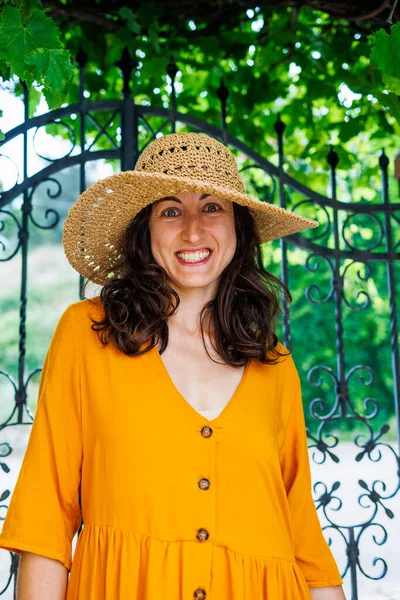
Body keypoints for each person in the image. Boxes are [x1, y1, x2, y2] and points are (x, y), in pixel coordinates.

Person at [0, 132, 346, 599]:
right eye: (170, 210)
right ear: (144, 230)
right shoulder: (86, 334)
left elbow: (304, 537)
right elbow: (45, 517)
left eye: (211, 207)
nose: (192, 231)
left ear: (238, 227)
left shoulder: (273, 361)